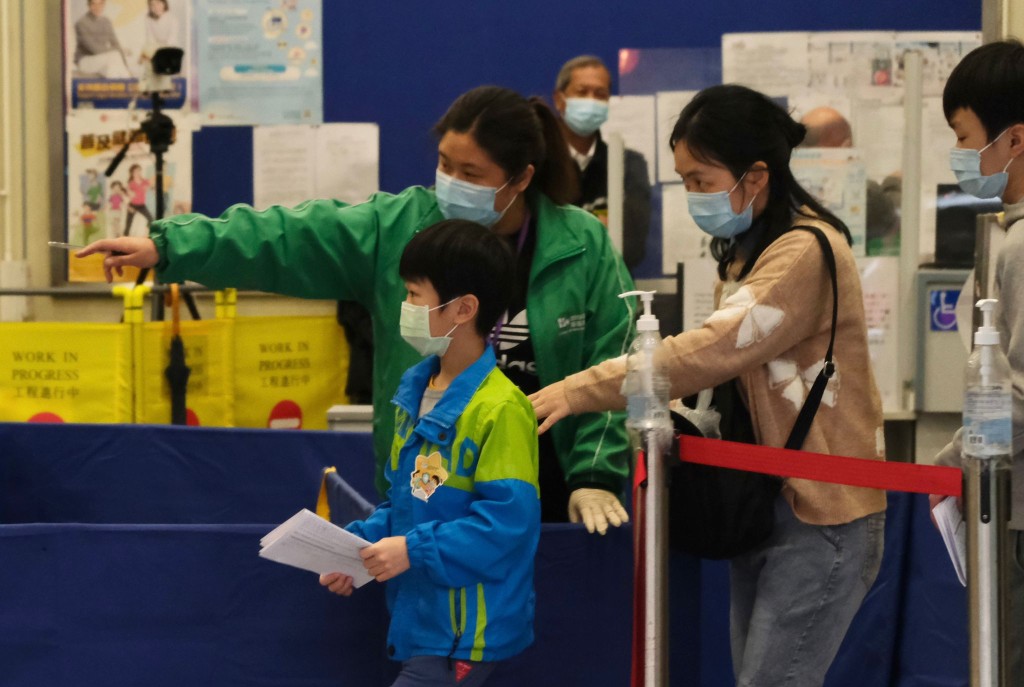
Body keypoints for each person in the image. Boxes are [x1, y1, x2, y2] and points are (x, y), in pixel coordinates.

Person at [77, 85, 636, 535]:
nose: (451, 184)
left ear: (521, 180)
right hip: (428, 487)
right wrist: (171, 247)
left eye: (472, 175)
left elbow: (612, 359)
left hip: (551, 494)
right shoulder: (393, 228)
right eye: (445, 165)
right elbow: (283, 236)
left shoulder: (579, 245)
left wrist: (594, 476)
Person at [530, 84, 887, 687]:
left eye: (702, 178)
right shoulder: (756, 249)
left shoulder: (804, 252)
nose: (693, 193)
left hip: (825, 513)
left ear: (756, 176)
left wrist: (582, 388)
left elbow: (713, 349)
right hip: (771, 503)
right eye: (686, 178)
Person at [319, 219, 540, 687]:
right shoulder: (416, 390)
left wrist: (410, 551)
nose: (405, 306)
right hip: (424, 619)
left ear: (463, 309)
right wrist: (358, 549)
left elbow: (506, 525)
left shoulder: (501, 409)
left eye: (416, 294)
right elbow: (404, 503)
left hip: (467, 631)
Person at [931, 39, 1024, 687]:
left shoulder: (1021, 248)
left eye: (965, 138)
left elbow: (1012, 395)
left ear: (1013, 138)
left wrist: (956, 457)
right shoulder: (1003, 237)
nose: (960, 156)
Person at [553, 55, 651, 271]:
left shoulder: (629, 165)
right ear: (559, 99)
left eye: (600, 94)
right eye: (581, 92)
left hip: (612, 289)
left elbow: (632, 247)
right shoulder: (540, 162)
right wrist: (599, 232)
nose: (591, 100)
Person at [799, 106, 901, 255]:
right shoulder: (864, 193)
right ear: (846, 145)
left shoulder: (782, 186)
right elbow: (889, 218)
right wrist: (894, 183)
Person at [73, 0, 131, 79]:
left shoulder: (106, 21)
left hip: (102, 61)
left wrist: (126, 67)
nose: (97, 7)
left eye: (100, 4)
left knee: (113, 70)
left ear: (104, 5)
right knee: (114, 55)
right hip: (85, 61)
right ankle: (130, 84)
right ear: (89, 5)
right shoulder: (81, 23)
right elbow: (95, 49)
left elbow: (115, 43)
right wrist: (118, 50)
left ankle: (119, 88)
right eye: (94, 4)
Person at [139, 0, 180, 67]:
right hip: (155, 48)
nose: (155, 7)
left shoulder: (173, 20)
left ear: (164, 4)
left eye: (158, 3)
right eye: (152, 5)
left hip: (170, 49)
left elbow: (172, 41)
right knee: (143, 62)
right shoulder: (148, 19)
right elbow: (150, 38)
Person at [123, 164, 153, 235]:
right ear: (132, 173)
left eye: (139, 171)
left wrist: (149, 187)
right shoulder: (130, 183)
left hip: (141, 205)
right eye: (136, 171)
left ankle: (148, 233)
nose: (138, 173)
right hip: (132, 205)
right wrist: (129, 193)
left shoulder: (144, 181)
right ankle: (124, 238)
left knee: (151, 219)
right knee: (128, 223)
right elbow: (126, 196)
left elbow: (151, 187)